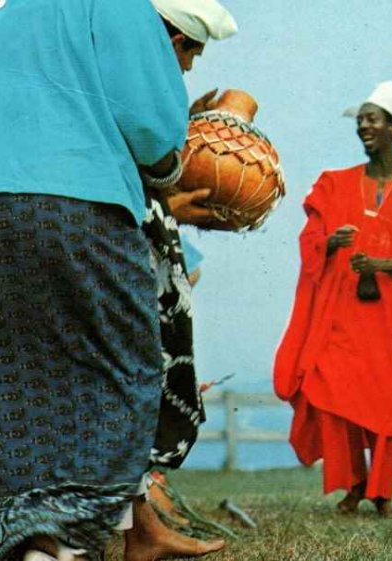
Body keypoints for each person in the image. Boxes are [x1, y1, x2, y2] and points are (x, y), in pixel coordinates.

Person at [0, 1, 188, 559]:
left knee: (23, 369)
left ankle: (34, 536)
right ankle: (75, 530)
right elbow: (152, 126)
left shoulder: (12, 12)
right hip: (82, 205)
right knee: (128, 362)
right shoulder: (118, 5)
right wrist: (168, 169)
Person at [274, 81, 392, 518]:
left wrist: (385, 267)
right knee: (328, 387)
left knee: (390, 399)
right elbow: (309, 243)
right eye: (360, 119)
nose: (363, 125)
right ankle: (355, 482)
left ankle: (382, 492)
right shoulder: (334, 184)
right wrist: (329, 243)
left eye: (372, 118)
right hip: (342, 314)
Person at [124, 2, 238, 560]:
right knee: (131, 373)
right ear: (171, 41)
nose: (190, 66)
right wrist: (175, 198)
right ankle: (136, 530)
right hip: (111, 242)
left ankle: (141, 529)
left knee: (135, 376)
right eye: (190, 51)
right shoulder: (131, 75)